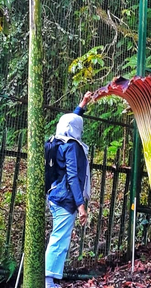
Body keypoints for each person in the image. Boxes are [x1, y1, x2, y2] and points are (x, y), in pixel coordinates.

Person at [45, 92, 92, 288]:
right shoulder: (72, 146)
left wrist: (82, 104)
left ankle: (50, 279)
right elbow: (73, 176)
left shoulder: (57, 141)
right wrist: (81, 205)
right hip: (65, 199)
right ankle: (48, 281)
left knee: (59, 237)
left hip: (55, 195)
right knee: (59, 239)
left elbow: (69, 122)